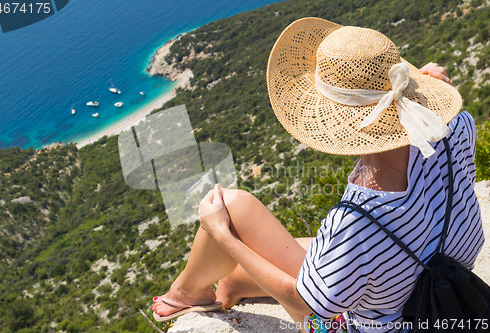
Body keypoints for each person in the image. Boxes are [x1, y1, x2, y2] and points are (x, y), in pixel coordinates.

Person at [152, 18, 484, 332]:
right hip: (437, 278)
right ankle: (226, 285)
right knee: (258, 263)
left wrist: (222, 234)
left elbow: (306, 307)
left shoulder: (356, 221)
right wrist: (427, 99)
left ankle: (188, 292)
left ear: (341, 121)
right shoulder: (458, 126)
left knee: (230, 207)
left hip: (387, 318)